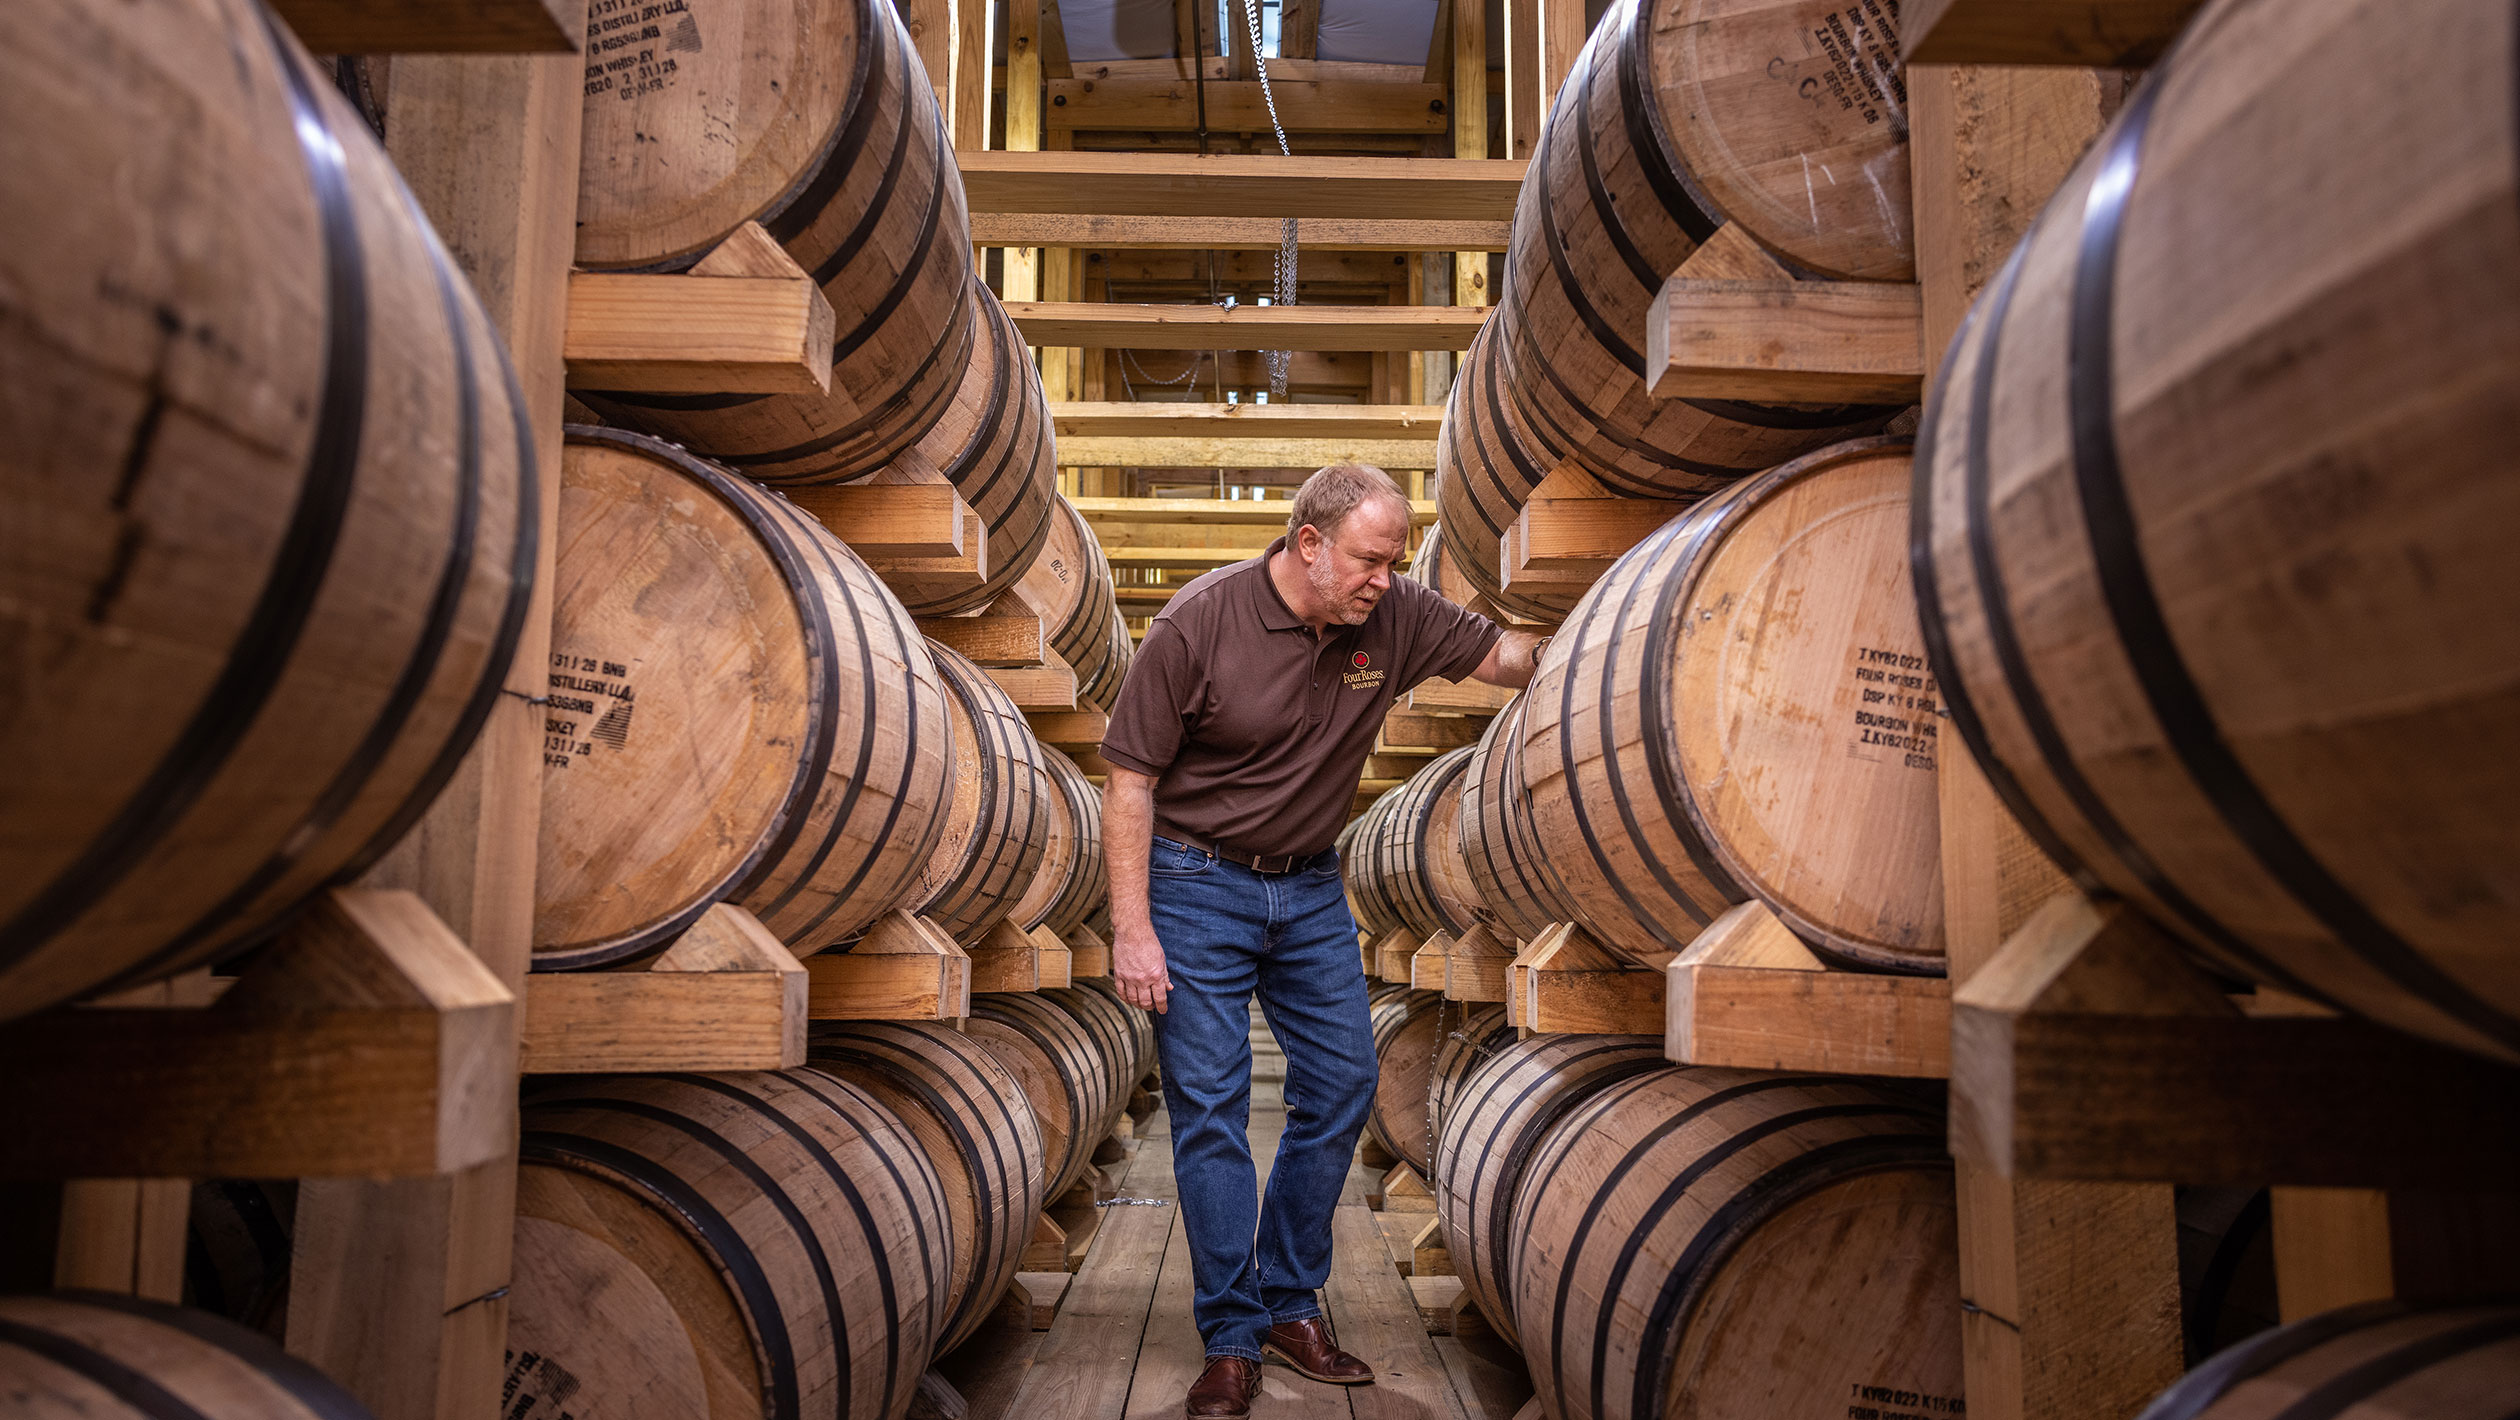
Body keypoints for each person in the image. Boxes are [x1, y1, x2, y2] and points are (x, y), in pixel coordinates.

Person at [1099, 462, 1543, 1419]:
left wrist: (1611, 634)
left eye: (1393, 562)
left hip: (1306, 888)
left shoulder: (1395, 615)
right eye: (1369, 560)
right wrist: (1132, 928)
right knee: (1212, 1108)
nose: (1384, 579)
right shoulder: (1198, 621)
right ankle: (1228, 1334)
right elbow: (1129, 779)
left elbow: (1509, 658)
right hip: (1193, 883)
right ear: (1308, 544)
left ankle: (1288, 1302)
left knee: (1343, 1081)